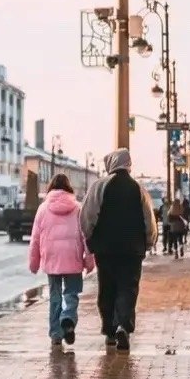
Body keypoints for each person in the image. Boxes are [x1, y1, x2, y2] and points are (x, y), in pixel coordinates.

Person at [80, 150, 157, 350]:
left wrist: (90, 237)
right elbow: (149, 219)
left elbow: (87, 215)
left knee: (107, 288)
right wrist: (149, 241)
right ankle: (123, 324)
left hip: (105, 249)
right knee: (128, 287)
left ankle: (109, 331)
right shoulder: (138, 189)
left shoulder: (99, 186)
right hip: (132, 249)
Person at [28, 172, 94, 347]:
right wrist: (89, 261)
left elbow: (35, 238)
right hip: (72, 258)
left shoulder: (42, 209)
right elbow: (85, 236)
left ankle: (56, 334)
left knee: (55, 296)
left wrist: (34, 262)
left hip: (51, 259)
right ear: (69, 188)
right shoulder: (78, 208)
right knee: (71, 293)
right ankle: (68, 318)